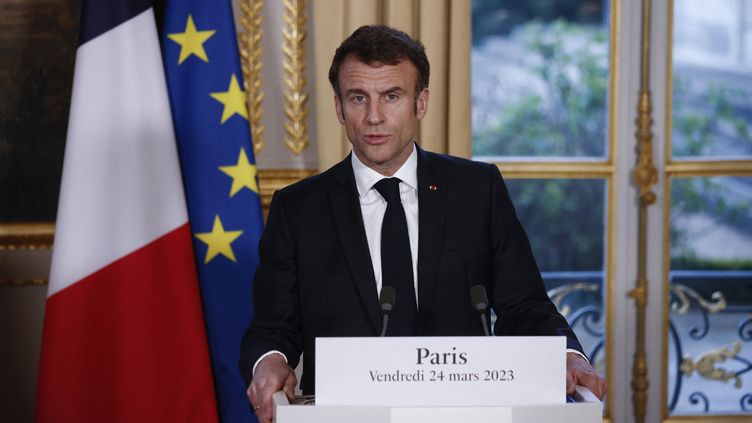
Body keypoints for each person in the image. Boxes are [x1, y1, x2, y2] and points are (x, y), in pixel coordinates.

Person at [239, 24, 607, 422]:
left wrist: (567, 355)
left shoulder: (476, 190)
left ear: (421, 103)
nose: (374, 117)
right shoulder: (298, 209)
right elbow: (273, 327)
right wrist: (268, 362)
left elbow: (525, 306)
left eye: (391, 96)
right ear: (339, 108)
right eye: (358, 98)